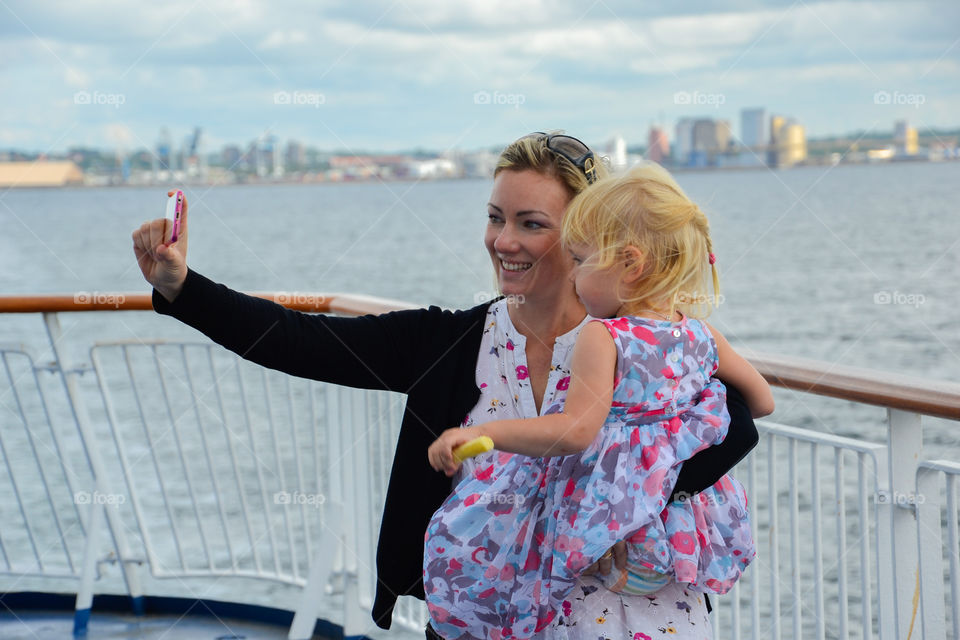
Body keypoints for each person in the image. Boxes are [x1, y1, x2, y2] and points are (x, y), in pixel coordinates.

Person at [131, 132, 760, 638]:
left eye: (531, 223)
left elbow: (740, 422)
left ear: (588, 237)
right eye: (495, 218)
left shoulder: (645, 342)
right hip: (482, 620)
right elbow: (302, 342)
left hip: (629, 620)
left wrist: (627, 502)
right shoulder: (450, 344)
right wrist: (181, 288)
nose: (504, 241)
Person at [425, 164, 773, 639]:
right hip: (671, 536)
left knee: (476, 539)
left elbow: (574, 432)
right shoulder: (699, 333)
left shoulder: (604, 336)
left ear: (629, 263)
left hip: (599, 530)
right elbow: (761, 401)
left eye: (581, 260)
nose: (574, 278)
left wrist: (484, 433)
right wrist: (673, 432)